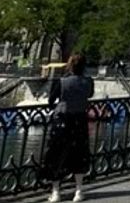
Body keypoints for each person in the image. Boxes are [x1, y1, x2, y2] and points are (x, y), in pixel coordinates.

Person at [42, 54, 94, 203]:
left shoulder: (61, 81)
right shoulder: (88, 81)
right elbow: (89, 94)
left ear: (70, 65)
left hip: (62, 120)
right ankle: (78, 191)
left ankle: (56, 192)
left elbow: (51, 100)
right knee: (79, 154)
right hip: (80, 120)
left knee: (57, 155)